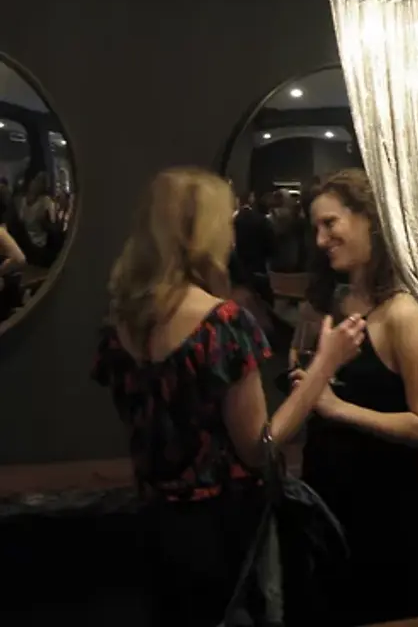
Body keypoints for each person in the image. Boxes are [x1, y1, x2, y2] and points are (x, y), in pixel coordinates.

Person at [91, 167, 366, 627]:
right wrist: (325, 366)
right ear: (202, 234)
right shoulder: (222, 323)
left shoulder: (120, 323)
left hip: (155, 525)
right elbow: (259, 448)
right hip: (223, 532)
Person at [291, 168, 418, 625]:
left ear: (369, 220)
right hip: (326, 501)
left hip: (384, 511)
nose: (321, 240)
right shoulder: (329, 307)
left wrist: (337, 408)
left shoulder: (403, 314)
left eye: (330, 223)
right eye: (315, 228)